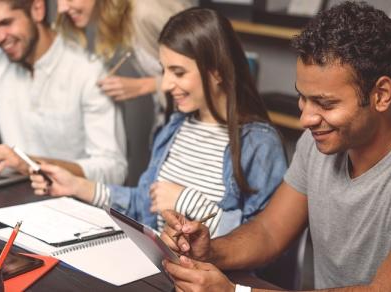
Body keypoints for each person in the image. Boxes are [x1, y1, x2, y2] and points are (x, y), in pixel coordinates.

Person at [159, 2, 391, 291]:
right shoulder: (317, 144)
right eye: (302, 97)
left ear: (381, 95)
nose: (306, 118)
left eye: (324, 103)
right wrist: (211, 250)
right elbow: (270, 231)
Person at [30, 7, 287, 235]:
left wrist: (187, 201)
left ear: (216, 71)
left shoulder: (259, 144)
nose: (165, 84)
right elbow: (141, 205)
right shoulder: (174, 128)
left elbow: (261, 242)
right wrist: (76, 185)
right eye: (164, 71)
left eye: (178, 72)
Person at [0, 0, 127, 184]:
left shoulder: (89, 72)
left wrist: (29, 164)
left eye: (5, 23)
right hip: (10, 201)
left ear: (37, 10)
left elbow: (114, 170)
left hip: (73, 205)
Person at [56, 0, 195, 130]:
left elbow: (207, 68)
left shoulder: (148, 11)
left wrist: (146, 85)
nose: (61, 8)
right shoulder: (127, 17)